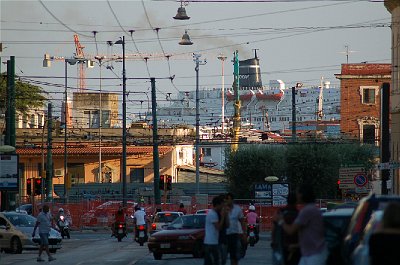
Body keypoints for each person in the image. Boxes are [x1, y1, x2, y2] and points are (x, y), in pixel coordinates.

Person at [279, 185, 327, 265]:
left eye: (297, 193)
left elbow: (291, 230)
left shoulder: (306, 211)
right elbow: (311, 235)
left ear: (302, 195)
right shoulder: (312, 209)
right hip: (311, 253)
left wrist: (280, 221)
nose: (296, 196)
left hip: (313, 256)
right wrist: (297, 245)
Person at [271, 193, 300, 265]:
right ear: (296, 201)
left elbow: (274, 228)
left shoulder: (280, 212)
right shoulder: (299, 214)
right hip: (295, 246)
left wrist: (273, 242)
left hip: (282, 244)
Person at [204, 195, 228, 265]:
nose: (222, 207)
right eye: (221, 205)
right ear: (217, 204)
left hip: (210, 241)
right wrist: (223, 216)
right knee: (215, 261)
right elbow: (218, 227)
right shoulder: (213, 214)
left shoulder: (212, 213)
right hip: (212, 242)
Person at [225, 193, 247, 265]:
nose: (228, 201)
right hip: (224, 235)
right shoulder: (223, 208)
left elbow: (242, 221)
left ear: (232, 200)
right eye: (227, 199)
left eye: (229, 199)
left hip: (234, 234)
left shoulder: (237, 209)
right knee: (222, 255)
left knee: (234, 256)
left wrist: (244, 233)